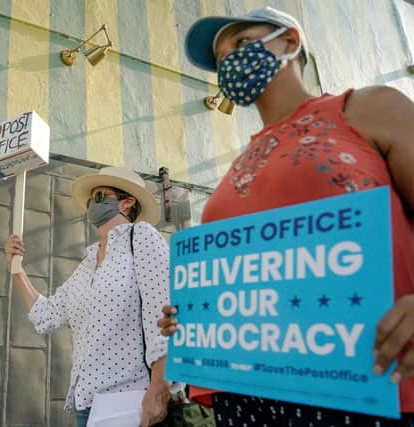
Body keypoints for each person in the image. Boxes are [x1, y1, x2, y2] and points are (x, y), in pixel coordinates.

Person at [157, 6, 414, 426]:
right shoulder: (237, 166)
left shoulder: (366, 108)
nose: (230, 63)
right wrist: (194, 312)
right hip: (242, 396)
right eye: (222, 59)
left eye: (241, 43)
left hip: (363, 386)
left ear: (290, 41)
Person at [6, 166, 179, 427]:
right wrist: (16, 269)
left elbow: (163, 311)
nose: (91, 205)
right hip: (87, 405)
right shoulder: (88, 262)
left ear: (127, 202)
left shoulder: (141, 237)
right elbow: (49, 314)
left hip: (131, 400)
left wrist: (159, 388)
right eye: (90, 200)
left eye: (99, 197)